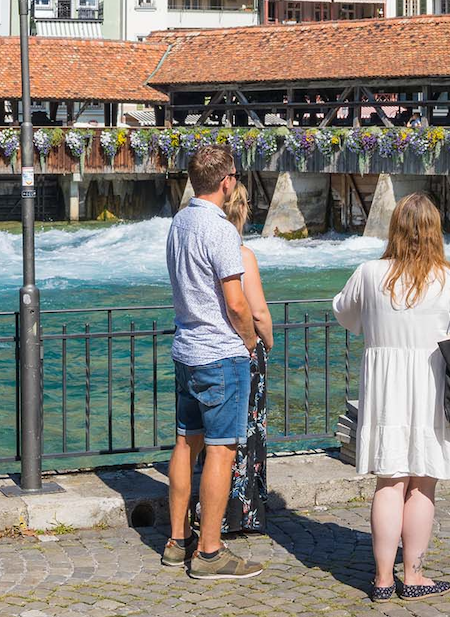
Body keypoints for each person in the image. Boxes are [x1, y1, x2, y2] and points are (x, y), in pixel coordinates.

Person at [333, 192, 450, 602]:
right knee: (422, 484)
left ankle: (382, 580)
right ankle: (412, 574)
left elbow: (345, 315)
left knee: (389, 481)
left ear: (394, 228)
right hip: (434, 388)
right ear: (435, 231)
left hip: (386, 390)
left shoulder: (369, 273)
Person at [162, 146, 264, 580]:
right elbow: (237, 302)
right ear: (227, 182)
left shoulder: (178, 222)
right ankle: (209, 552)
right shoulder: (220, 229)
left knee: (186, 444)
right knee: (221, 451)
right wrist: (249, 340)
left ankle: (176, 540)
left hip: (185, 348)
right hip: (220, 354)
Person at [200, 183, 272, 536]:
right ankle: (240, 512)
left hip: (204, 350)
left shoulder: (200, 240)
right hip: (240, 351)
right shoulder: (242, 254)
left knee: (210, 439)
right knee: (241, 435)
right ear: (242, 210)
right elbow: (255, 311)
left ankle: (207, 513)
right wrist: (265, 341)